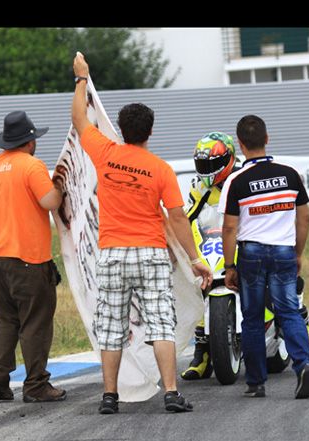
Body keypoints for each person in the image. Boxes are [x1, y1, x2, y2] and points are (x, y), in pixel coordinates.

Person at [72, 52, 212, 415]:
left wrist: (81, 79)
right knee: (161, 324)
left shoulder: (104, 151)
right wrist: (194, 259)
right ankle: (170, 392)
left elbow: (77, 118)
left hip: (112, 254)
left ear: (119, 128)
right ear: (150, 131)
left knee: (111, 327)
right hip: (150, 252)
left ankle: (109, 396)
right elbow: (178, 218)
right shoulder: (160, 169)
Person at [181, 132, 309, 381]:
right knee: (194, 286)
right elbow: (190, 216)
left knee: (282, 288)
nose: (207, 170)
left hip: (249, 240)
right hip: (214, 241)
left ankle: (306, 336)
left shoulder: (241, 177)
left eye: (212, 164)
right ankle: (202, 354)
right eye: (202, 164)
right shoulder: (198, 187)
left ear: (229, 157)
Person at [220, 114, 309, 399]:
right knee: (288, 311)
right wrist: (297, 252)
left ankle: (256, 383)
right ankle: (303, 365)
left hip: (250, 253)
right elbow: (305, 218)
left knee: (251, 319)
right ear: (267, 139)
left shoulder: (236, 180)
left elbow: (228, 227)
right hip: (284, 251)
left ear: (240, 144)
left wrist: (229, 266)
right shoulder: (290, 174)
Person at [0, 110, 65, 403]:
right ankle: (36, 385)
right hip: (27, 256)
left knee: (7, 318)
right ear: (29, 142)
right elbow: (50, 201)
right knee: (36, 320)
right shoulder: (32, 165)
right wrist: (60, 185)